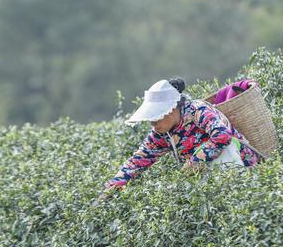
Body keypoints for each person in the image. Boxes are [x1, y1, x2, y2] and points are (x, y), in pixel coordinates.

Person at [100, 77, 262, 198]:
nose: (153, 125)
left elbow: (222, 135)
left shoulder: (197, 110)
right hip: (212, 178)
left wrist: (194, 162)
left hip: (240, 163)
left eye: (156, 119)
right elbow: (138, 161)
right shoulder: (161, 133)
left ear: (170, 110)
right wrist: (113, 187)